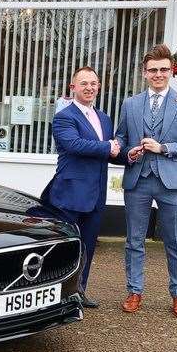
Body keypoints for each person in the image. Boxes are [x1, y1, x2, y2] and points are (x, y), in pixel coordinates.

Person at [114, 44, 177, 318]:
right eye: (153, 70)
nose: (158, 74)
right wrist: (128, 151)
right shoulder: (130, 104)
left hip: (172, 182)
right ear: (144, 73)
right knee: (134, 240)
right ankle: (134, 291)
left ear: (171, 71)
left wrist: (164, 148)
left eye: (163, 69)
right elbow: (120, 138)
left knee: (175, 241)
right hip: (138, 180)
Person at [41, 66, 119, 309]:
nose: (89, 88)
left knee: (87, 246)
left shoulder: (104, 118)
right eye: (84, 83)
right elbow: (74, 144)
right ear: (73, 87)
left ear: (99, 87)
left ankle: (78, 292)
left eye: (93, 83)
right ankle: (53, 294)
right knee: (64, 247)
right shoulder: (64, 116)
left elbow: (110, 151)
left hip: (96, 195)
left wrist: (130, 155)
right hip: (70, 194)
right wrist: (109, 147)